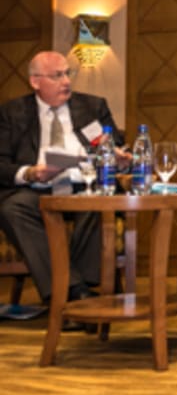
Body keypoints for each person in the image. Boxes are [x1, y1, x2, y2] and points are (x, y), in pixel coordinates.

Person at [0, 51, 129, 326]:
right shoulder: (12, 113)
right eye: (57, 76)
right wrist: (30, 172)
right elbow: (1, 164)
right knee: (13, 208)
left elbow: (116, 148)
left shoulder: (93, 106)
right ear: (35, 81)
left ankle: (71, 295)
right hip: (37, 190)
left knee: (97, 201)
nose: (66, 82)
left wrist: (119, 158)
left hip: (84, 183)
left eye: (68, 74)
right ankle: (79, 293)